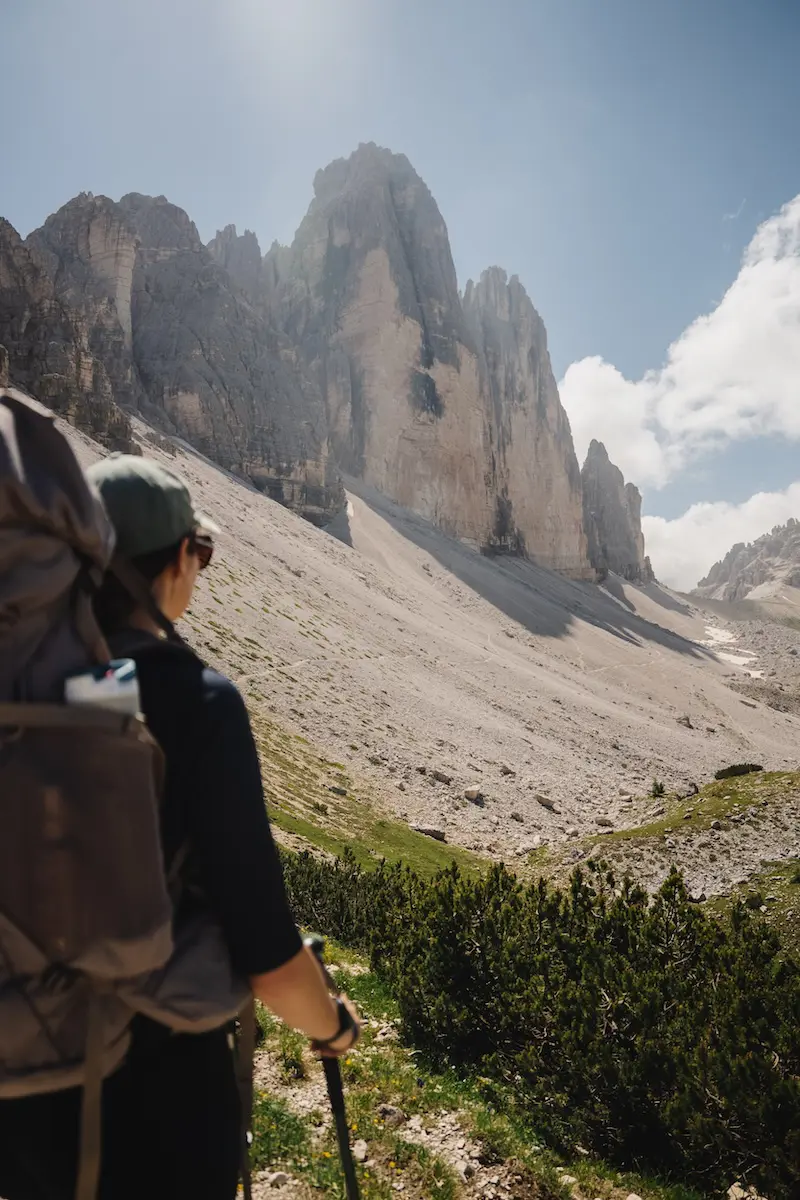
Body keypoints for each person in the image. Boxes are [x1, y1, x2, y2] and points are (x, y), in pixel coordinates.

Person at [0, 454, 360, 1200]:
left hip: (27, 1093)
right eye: (202, 552)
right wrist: (330, 1023)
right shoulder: (194, 701)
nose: (200, 570)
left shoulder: (28, 694)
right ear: (171, 563)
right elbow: (266, 952)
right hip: (159, 1107)